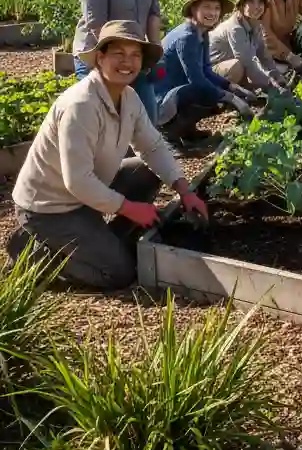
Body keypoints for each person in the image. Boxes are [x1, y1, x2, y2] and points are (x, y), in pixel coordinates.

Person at [6, 20, 207, 289]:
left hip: (86, 193)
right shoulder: (80, 106)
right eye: (119, 54)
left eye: (135, 55)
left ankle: (98, 241)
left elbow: (153, 147)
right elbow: (77, 181)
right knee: (118, 274)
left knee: (146, 171)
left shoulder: (129, 97)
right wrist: (130, 208)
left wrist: (185, 190)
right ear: (100, 58)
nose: (128, 62)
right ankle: (36, 254)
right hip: (49, 208)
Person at [155, 0, 254, 143]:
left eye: (216, 8)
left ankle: (188, 131)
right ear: (194, 9)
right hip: (161, 101)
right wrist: (231, 98)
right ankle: (169, 136)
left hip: (174, 91)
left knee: (211, 91)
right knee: (204, 93)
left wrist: (231, 87)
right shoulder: (186, 37)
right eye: (206, 7)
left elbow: (206, 70)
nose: (212, 13)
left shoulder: (202, 32)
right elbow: (197, 80)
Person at [209, 0, 291, 95]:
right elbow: (246, 61)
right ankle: (220, 96)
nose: (257, 7)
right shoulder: (235, 28)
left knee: (275, 70)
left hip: (233, 70)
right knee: (237, 66)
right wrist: (270, 84)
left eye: (260, 2)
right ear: (242, 5)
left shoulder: (256, 25)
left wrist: (276, 75)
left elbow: (263, 55)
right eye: (251, 2)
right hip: (211, 72)